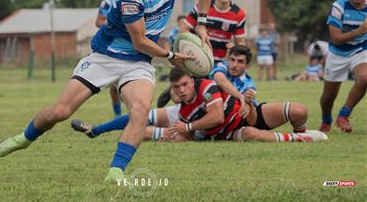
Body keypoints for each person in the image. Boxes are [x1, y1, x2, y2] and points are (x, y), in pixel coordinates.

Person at [0, 0, 213, 183]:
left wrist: (202, 24)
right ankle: (23, 138)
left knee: (140, 110)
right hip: (105, 57)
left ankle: (115, 173)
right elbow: (139, 41)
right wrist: (170, 54)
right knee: (61, 112)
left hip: (137, 63)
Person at [74, 46, 312, 141]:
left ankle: (303, 135)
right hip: (204, 116)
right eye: (233, 60)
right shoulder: (218, 71)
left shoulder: (249, 82)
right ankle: (98, 130)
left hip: (240, 118)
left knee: (299, 111)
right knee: (144, 120)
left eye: (240, 62)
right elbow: (217, 81)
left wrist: (246, 103)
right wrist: (239, 97)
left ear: (247, 65)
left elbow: (249, 114)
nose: (235, 65)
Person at [319, 0, 367, 133]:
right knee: (328, 96)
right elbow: (336, 39)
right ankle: (326, 120)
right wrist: (359, 31)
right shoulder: (338, 7)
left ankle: (343, 115)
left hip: (360, 50)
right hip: (337, 53)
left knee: (365, 77)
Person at [95, 0, 132, 117]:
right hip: (111, 46)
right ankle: (118, 113)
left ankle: (133, 115)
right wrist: (115, 25)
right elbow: (98, 21)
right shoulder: (108, 0)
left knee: (129, 82)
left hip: (133, 46)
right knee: (114, 85)